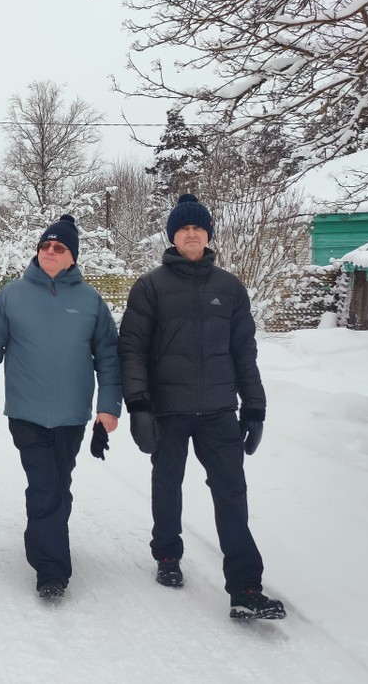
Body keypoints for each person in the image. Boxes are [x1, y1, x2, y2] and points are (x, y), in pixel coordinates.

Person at [118, 193, 286, 620]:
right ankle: (168, 556)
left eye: (198, 227)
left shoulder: (229, 288)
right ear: (173, 236)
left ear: (208, 234)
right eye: (183, 228)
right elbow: (132, 351)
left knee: (232, 494)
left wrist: (255, 409)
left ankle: (245, 586)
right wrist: (138, 405)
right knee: (167, 485)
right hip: (168, 410)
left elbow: (244, 354)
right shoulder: (150, 286)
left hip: (218, 412)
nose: (191, 233)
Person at [0, 214, 121, 601]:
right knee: (45, 485)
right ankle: (51, 570)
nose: (51, 252)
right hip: (26, 413)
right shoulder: (12, 295)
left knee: (59, 484)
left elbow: (108, 356)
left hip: (72, 415)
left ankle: (46, 538)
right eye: (45, 246)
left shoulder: (89, 301)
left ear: (72, 257)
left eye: (60, 247)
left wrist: (109, 407)